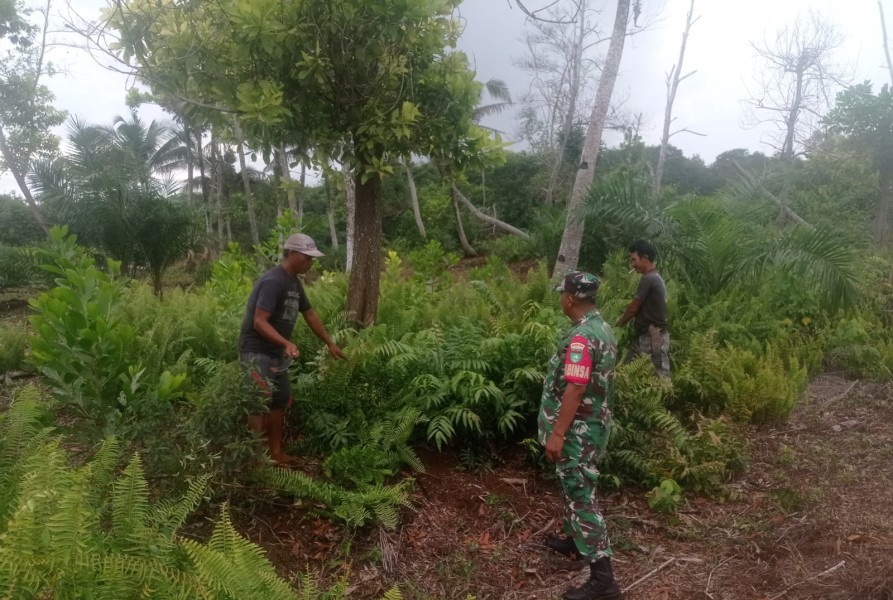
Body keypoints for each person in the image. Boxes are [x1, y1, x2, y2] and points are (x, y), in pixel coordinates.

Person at [540, 271, 622, 600]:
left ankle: (604, 580)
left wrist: (558, 433)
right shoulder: (602, 328)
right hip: (593, 426)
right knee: (574, 486)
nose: (561, 298)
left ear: (571, 299)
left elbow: (575, 387)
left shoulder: (581, 338)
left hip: (578, 431)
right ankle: (575, 544)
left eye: (563, 294)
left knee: (581, 496)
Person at [238, 233, 345, 466]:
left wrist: (329, 342)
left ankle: (276, 453)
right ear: (293, 253)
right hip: (256, 352)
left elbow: (310, 314)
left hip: (276, 353)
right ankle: (257, 461)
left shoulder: (294, 283)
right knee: (258, 404)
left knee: (279, 401)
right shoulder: (273, 281)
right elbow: (259, 322)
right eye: (308, 257)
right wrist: (286, 343)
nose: (311, 262)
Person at [616, 240, 670, 378]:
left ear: (645, 258)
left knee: (661, 376)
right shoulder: (656, 277)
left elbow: (633, 308)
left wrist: (619, 325)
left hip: (652, 337)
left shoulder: (649, 279)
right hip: (650, 336)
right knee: (626, 371)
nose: (632, 264)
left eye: (634, 259)